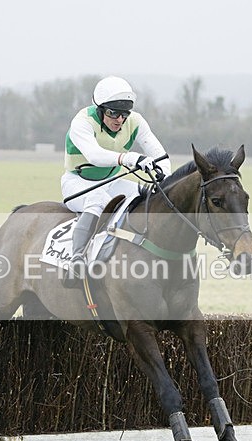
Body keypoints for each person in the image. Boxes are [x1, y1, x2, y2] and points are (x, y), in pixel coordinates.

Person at [61, 75, 171, 287]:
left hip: (113, 181)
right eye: (113, 113)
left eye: (124, 114)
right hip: (78, 183)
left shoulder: (136, 122)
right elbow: (95, 156)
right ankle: (76, 259)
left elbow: (160, 155)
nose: (119, 119)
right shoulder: (82, 122)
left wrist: (163, 176)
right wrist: (129, 158)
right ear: (100, 109)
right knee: (97, 199)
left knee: (147, 197)